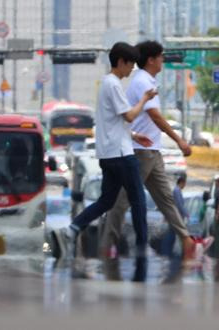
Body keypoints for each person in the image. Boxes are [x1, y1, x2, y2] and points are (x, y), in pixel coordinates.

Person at [52, 42, 157, 265]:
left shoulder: (106, 85)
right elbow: (129, 115)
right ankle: (141, 247)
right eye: (130, 65)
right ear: (121, 62)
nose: (131, 70)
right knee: (138, 200)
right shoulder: (113, 84)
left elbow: (114, 122)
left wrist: (135, 136)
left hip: (108, 154)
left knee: (107, 200)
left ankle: (73, 228)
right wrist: (144, 99)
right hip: (121, 155)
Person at [104, 40, 204, 262]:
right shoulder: (143, 82)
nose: (163, 60)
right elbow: (155, 115)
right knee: (123, 200)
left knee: (165, 199)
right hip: (141, 150)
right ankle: (108, 244)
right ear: (151, 59)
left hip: (151, 150)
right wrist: (179, 141)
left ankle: (187, 240)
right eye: (161, 56)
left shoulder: (147, 80)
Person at [160, 175, 189, 256]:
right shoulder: (177, 191)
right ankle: (167, 251)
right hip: (176, 216)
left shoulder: (177, 190)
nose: (184, 186)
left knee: (172, 233)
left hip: (176, 216)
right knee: (172, 234)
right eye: (184, 184)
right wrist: (186, 213)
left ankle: (168, 251)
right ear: (181, 182)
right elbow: (179, 204)